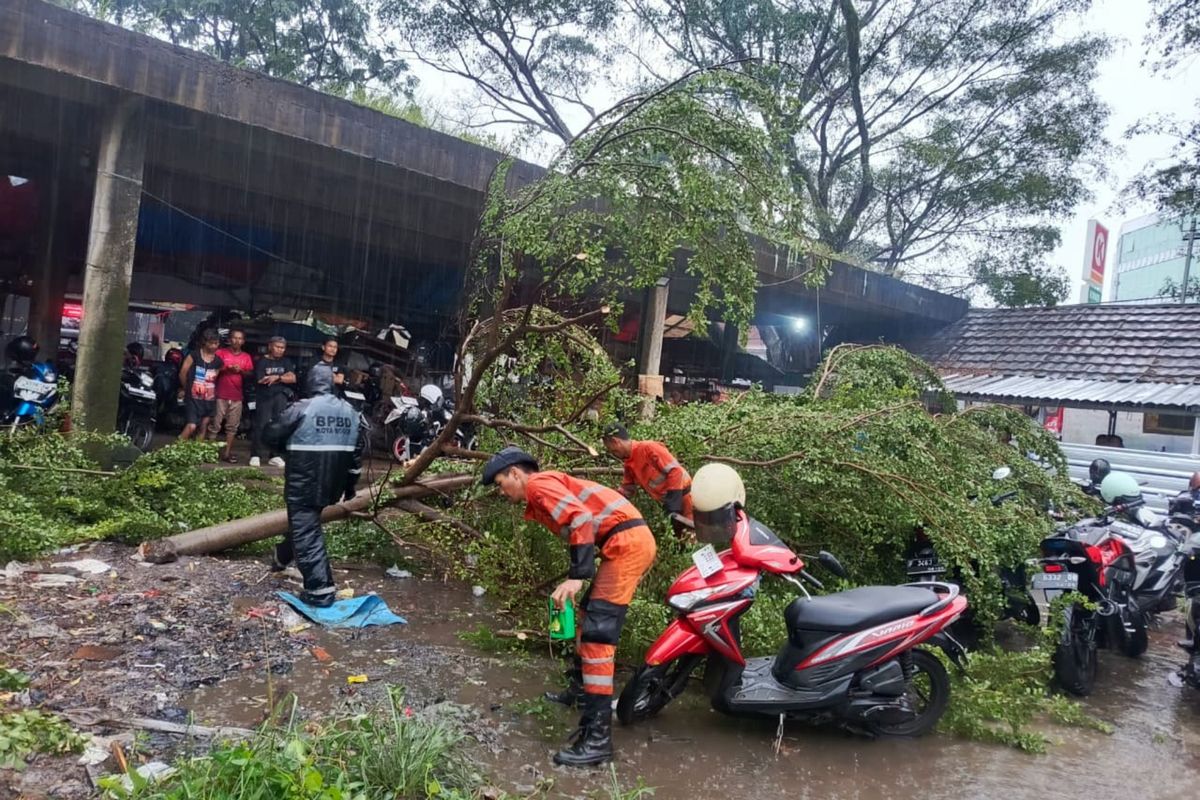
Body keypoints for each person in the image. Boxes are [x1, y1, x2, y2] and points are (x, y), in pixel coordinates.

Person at [481, 446, 657, 767]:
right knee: (586, 618)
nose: (501, 491)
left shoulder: (537, 484)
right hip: (622, 545)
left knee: (596, 639)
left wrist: (578, 576)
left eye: (500, 483)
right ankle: (579, 691)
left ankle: (598, 740)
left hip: (627, 546)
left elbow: (581, 518)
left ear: (516, 474)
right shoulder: (542, 490)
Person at [263, 364, 366, 607]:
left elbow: (270, 434)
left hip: (304, 481)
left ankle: (321, 590)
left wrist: (282, 449)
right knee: (303, 523)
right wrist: (350, 486)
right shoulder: (352, 412)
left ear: (310, 383)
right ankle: (282, 557)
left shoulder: (302, 408)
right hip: (333, 484)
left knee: (306, 530)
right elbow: (356, 456)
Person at [601, 423, 693, 541]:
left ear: (615, 441)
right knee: (679, 539)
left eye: (612, 450)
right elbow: (627, 490)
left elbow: (676, 471)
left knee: (691, 535)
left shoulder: (648, 448)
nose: (613, 453)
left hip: (685, 497)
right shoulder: (629, 463)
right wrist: (606, 499)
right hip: (669, 502)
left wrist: (673, 502)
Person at [250, 336, 296, 468]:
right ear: (270, 346)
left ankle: (275, 455)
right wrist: (282, 378)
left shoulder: (286, 361)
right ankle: (255, 454)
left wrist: (277, 377)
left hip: (280, 396)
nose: (280, 350)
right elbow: (260, 380)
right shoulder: (262, 361)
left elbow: (292, 378)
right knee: (261, 425)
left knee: (279, 426)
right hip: (264, 396)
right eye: (277, 347)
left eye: (282, 348)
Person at [210, 328, 253, 463]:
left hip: (236, 396)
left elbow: (250, 373)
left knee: (232, 427)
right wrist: (226, 368)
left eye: (240, 338)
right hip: (220, 395)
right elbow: (212, 369)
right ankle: (209, 453)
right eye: (234, 338)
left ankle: (227, 453)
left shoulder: (246, 357)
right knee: (214, 425)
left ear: (243, 341)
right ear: (229, 340)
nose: (237, 341)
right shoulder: (220, 353)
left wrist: (241, 371)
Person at [177, 329, 223, 441]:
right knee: (192, 426)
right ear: (204, 342)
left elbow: (215, 378)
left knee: (203, 426)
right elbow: (183, 373)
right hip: (193, 397)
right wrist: (186, 388)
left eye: (216, 343)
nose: (214, 346)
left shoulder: (218, 362)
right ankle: (176, 448)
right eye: (211, 343)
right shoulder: (194, 356)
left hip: (208, 399)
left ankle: (197, 452)